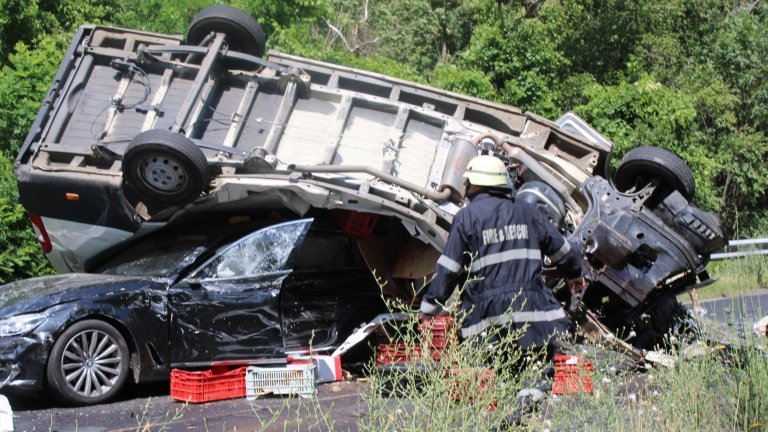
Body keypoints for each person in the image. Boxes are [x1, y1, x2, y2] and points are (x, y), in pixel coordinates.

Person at [419, 154, 585, 363]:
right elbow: (565, 252)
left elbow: (449, 269)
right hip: (533, 315)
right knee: (535, 374)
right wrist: (575, 276)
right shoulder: (529, 211)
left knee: (491, 377)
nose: (466, 187)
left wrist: (429, 309)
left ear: (477, 184)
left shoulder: (466, 218)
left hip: (488, 320)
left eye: (468, 182)